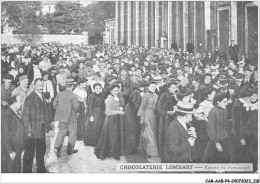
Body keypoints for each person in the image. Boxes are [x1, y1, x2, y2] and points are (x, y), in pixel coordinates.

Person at [22, 78, 50, 173]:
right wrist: (28, 131)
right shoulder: (29, 98)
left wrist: (46, 125)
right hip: (32, 129)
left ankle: (41, 169)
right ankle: (27, 172)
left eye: (42, 85)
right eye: (39, 86)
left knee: (41, 150)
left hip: (41, 128)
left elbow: (45, 112)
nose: (41, 87)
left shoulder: (42, 95)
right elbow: (25, 116)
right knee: (29, 153)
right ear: (34, 86)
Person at [94, 83, 125, 160]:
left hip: (115, 120)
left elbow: (113, 107)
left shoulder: (115, 97)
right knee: (112, 137)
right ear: (110, 91)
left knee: (115, 136)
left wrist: (118, 108)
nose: (116, 92)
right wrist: (118, 112)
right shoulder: (109, 99)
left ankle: (113, 152)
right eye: (114, 91)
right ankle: (112, 153)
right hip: (110, 121)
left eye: (117, 91)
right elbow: (108, 112)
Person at [53, 77, 79, 157]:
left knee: (61, 132)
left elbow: (54, 105)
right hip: (72, 117)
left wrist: (62, 109)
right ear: (72, 86)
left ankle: (57, 148)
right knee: (72, 134)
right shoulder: (73, 95)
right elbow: (76, 107)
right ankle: (70, 150)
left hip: (62, 117)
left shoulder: (59, 94)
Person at [202, 92, 230, 163]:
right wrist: (216, 142)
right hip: (215, 141)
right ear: (218, 102)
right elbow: (210, 128)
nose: (226, 103)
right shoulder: (213, 112)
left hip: (225, 139)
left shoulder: (225, 110)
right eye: (224, 102)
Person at [1, 96, 25, 173]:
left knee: (16, 169)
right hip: (11, 151)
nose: (22, 104)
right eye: (20, 102)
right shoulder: (7, 115)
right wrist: (10, 151)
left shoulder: (15, 113)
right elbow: (5, 134)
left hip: (16, 149)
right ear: (14, 103)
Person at [157, 79, 178, 159]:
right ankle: (163, 154)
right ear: (168, 88)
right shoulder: (164, 95)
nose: (175, 89)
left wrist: (177, 99)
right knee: (164, 135)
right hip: (165, 119)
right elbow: (158, 108)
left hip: (174, 118)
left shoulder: (177, 96)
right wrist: (167, 112)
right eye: (173, 87)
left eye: (175, 87)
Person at [137, 80, 159, 158]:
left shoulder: (156, 95)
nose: (154, 88)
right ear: (148, 87)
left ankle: (152, 151)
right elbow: (142, 107)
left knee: (153, 132)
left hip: (153, 115)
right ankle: (146, 151)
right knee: (147, 132)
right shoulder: (145, 95)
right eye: (152, 86)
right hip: (146, 114)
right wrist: (141, 118)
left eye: (154, 86)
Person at [231, 86, 252, 163]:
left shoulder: (244, 104)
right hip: (239, 135)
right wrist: (240, 138)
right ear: (246, 97)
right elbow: (235, 124)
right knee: (236, 155)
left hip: (245, 134)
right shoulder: (237, 106)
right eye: (250, 97)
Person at [124, 82, 143, 154]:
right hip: (132, 113)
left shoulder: (134, 93)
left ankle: (131, 147)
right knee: (133, 131)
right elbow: (135, 103)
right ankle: (132, 148)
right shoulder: (136, 93)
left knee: (131, 131)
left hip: (131, 112)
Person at [84, 82, 106, 147]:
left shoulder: (103, 96)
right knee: (93, 127)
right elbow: (89, 106)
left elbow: (104, 105)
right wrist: (91, 115)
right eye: (96, 89)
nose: (98, 90)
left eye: (99, 88)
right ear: (93, 89)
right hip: (94, 113)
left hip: (101, 114)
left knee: (100, 127)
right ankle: (91, 142)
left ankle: (99, 141)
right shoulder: (91, 96)